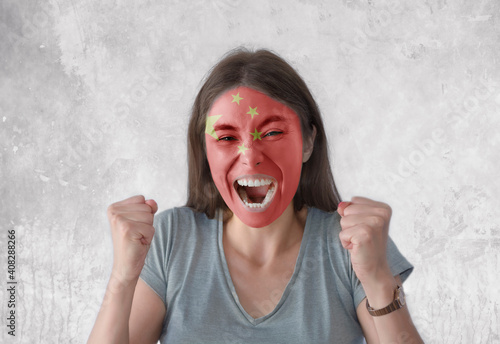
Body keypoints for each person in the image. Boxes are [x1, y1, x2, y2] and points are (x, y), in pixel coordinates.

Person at [88, 48, 423, 343]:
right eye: (226, 137)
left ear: (307, 142)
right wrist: (122, 279)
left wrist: (378, 278)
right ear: (204, 151)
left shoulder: (350, 243)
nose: (250, 156)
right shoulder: (170, 240)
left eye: (273, 132)